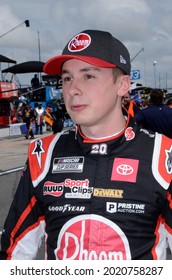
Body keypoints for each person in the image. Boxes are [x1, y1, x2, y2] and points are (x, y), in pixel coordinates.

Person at [0, 29, 171, 260]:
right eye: (67, 78)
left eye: (88, 76)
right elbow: (12, 255)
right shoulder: (43, 155)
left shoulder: (163, 155)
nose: (72, 89)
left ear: (122, 85)